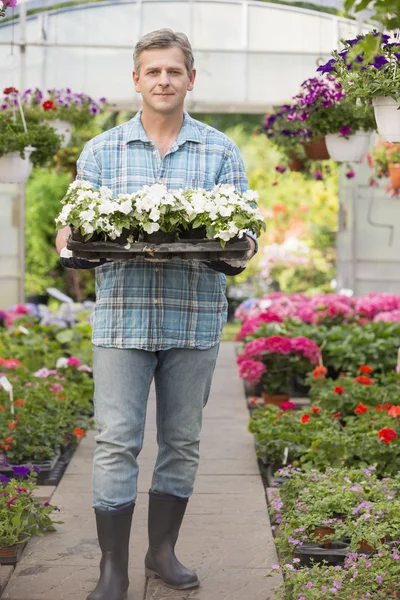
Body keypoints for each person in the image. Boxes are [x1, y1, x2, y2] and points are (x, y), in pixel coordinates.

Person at [56, 29, 258, 600]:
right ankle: (112, 568)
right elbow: (73, 226)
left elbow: (243, 228)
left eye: (174, 71)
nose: (163, 80)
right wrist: (68, 242)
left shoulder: (220, 150)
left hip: (192, 318)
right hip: (122, 319)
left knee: (182, 440)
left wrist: (239, 245)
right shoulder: (102, 150)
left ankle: (162, 552)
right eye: (153, 72)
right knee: (117, 439)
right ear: (137, 80)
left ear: (190, 78)